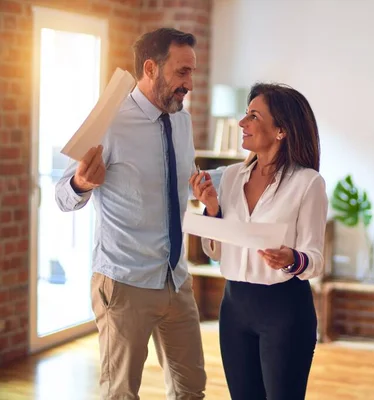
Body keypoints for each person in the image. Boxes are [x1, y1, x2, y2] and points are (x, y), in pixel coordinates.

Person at [55, 28, 214, 399]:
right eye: (182, 72)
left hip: (175, 280)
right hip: (125, 284)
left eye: (192, 72)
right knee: (121, 393)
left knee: (192, 390)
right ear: (150, 68)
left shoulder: (182, 120)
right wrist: (81, 182)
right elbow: (63, 196)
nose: (189, 83)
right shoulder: (108, 123)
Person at [189, 82, 328, 400]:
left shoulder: (308, 183)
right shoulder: (232, 177)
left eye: (253, 115)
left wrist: (292, 258)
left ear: (281, 130)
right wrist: (212, 209)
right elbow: (216, 250)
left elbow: (315, 257)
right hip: (234, 307)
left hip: (284, 311)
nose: (242, 123)